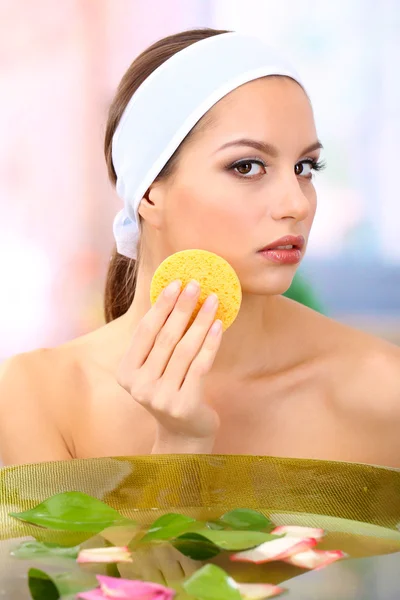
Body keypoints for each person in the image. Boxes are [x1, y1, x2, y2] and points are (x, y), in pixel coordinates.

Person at [0, 28, 399, 468]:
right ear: (150, 194)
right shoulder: (39, 396)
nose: (296, 203)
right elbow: (50, 542)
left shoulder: (384, 389)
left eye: (305, 167)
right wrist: (179, 448)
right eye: (247, 166)